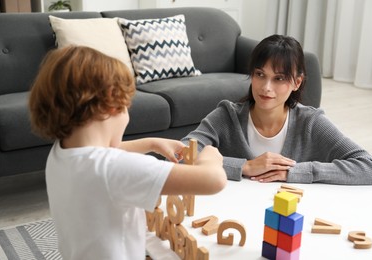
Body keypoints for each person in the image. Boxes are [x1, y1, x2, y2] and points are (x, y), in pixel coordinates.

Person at [28, 46, 227, 260]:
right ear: (112, 105)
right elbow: (213, 180)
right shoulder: (114, 169)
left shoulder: (62, 152)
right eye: (126, 108)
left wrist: (152, 143)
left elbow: (102, 155)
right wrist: (210, 156)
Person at [181, 34, 372, 185]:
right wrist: (244, 166)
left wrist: (294, 171)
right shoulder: (227, 116)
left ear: (297, 82)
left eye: (279, 78)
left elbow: (371, 169)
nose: (266, 87)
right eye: (260, 74)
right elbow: (179, 156)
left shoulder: (310, 122)